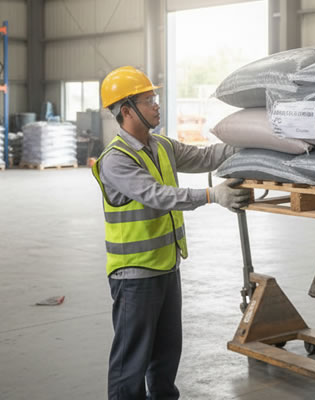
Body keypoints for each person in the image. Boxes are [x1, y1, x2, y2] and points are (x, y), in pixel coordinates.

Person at [91, 65, 249, 400]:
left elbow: (206, 156)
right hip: (134, 273)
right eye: (149, 100)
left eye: (155, 98)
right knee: (131, 361)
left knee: (166, 358)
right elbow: (156, 195)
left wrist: (249, 143)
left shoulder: (162, 145)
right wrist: (211, 195)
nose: (157, 106)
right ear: (126, 110)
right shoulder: (115, 159)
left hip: (166, 265)